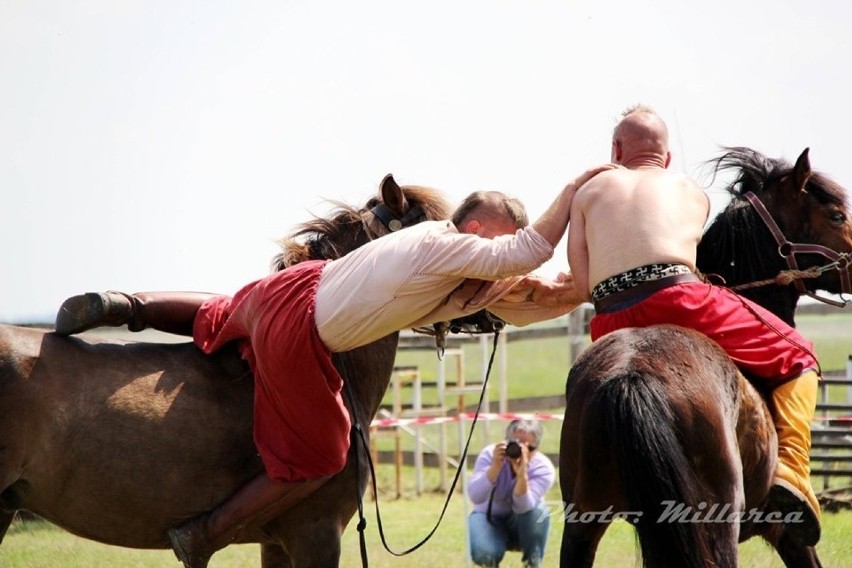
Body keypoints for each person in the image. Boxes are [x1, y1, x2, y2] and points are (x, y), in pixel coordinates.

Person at [53, 168, 611, 568]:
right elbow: (529, 252)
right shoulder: (450, 245)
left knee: (220, 312)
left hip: (286, 289)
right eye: (496, 239)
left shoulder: (428, 261)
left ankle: (125, 305)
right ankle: (205, 533)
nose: (495, 253)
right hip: (301, 327)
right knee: (326, 453)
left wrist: (582, 288)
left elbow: (522, 291)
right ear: (479, 230)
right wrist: (575, 189)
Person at [539, 105, 821, 546]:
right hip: (679, 299)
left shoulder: (588, 192)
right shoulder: (690, 190)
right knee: (800, 354)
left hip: (610, 317)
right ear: (666, 157)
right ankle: (792, 471)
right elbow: (685, 259)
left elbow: (582, 279)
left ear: (615, 150)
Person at [467, 419, 556, 568]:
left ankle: (532, 564)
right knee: (485, 554)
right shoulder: (490, 455)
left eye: (529, 447)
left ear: (537, 447)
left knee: (539, 511)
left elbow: (524, 507)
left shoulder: (543, 467)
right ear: (505, 441)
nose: (520, 451)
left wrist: (522, 474)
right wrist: (495, 467)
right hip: (489, 517)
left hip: (523, 524)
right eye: (515, 444)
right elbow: (475, 496)